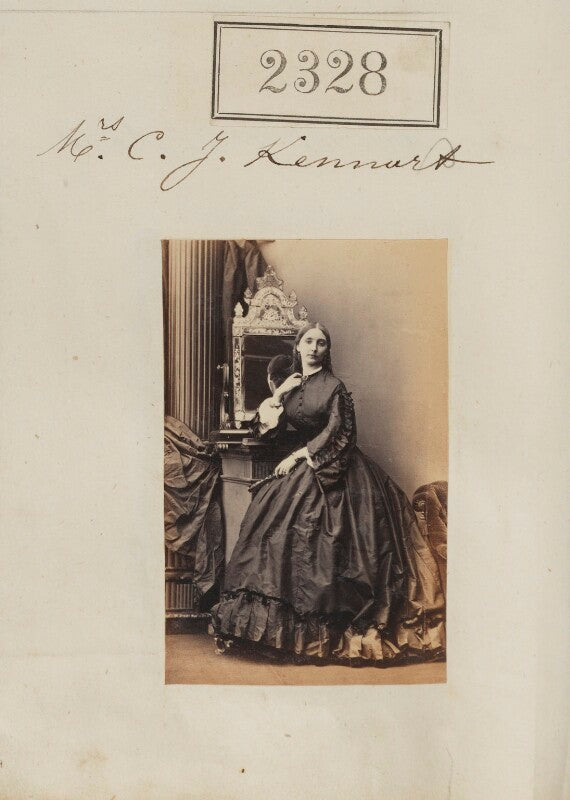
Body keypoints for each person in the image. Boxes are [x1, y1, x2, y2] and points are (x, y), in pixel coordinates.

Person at [210, 323, 445, 666]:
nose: (314, 348)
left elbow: (341, 433)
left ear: (327, 350)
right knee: (275, 529)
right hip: (303, 468)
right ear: (297, 346)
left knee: (329, 541)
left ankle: (323, 634)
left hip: (336, 467)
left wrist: (299, 456)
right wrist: (278, 395)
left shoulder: (334, 387)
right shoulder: (292, 385)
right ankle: (281, 634)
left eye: (321, 343)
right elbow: (268, 432)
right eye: (308, 341)